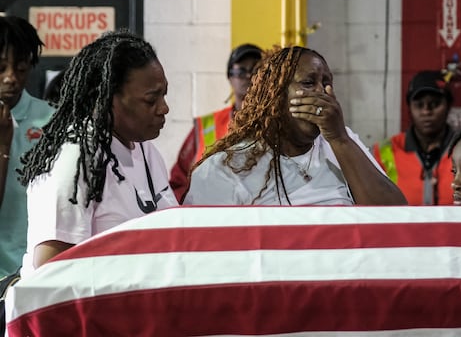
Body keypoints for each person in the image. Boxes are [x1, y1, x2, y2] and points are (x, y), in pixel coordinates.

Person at [17, 30, 178, 278]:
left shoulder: (145, 150)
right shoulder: (73, 159)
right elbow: (51, 272)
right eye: (150, 100)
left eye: (164, 94)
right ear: (107, 98)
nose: (164, 108)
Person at [183, 46, 407, 206]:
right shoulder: (225, 168)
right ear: (276, 97)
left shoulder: (342, 142)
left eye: (327, 83)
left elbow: (394, 217)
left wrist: (339, 140)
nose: (322, 93)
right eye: (308, 83)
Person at [0, 16, 55, 333]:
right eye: (1, 68)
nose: (10, 78)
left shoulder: (50, 121)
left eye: (20, 69)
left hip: (29, 279)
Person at [169, 43, 262, 202]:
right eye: (241, 71)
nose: (249, 77)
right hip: (212, 221)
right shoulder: (206, 126)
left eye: (256, 71)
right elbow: (179, 183)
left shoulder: (277, 125)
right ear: (230, 77)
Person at [372, 70, 455, 205]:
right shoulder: (383, 152)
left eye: (434, 104)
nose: (426, 111)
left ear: (448, 106)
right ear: (409, 108)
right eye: (419, 105)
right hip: (401, 226)